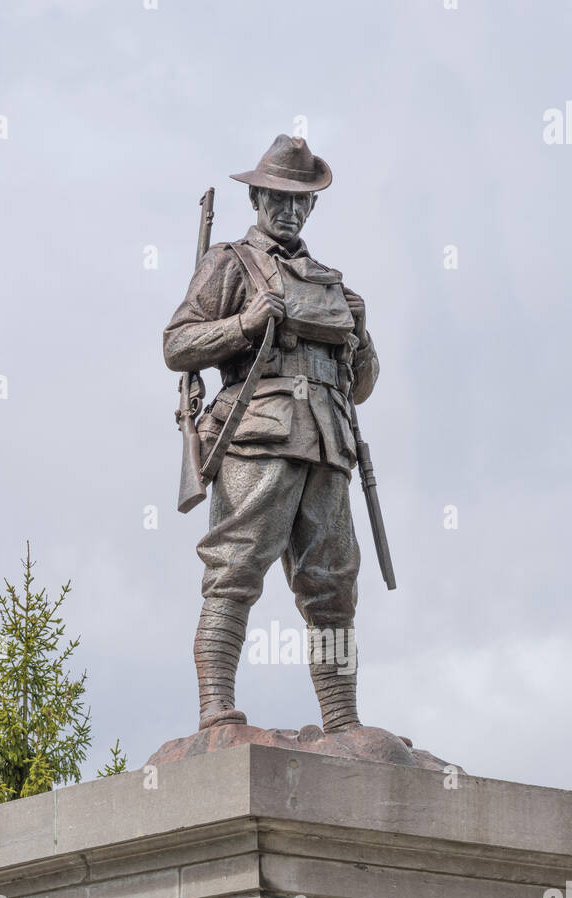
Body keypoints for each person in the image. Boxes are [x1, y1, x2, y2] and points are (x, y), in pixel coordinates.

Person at [164, 134, 379, 734]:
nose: (288, 209)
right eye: (277, 197)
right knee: (233, 570)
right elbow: (177, 344)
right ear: (257, 196)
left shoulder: (332, 283)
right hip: (257, 434)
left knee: (333, 587)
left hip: (328, 444)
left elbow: (359, 387)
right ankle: (216, 709)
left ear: (310, 208)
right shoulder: (230, 264)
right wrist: (245, 323)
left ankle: (341, 723)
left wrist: (362, 335)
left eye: (299, 200)